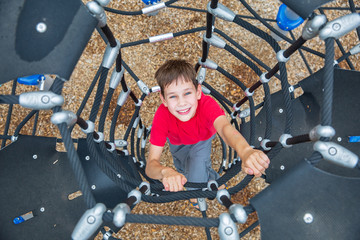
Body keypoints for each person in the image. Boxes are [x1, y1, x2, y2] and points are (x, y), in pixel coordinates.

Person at [145, 59, 270, 205]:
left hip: (201, 141)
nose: (181, 103)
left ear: (198, 92)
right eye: (173, 96)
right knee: (181, 167)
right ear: (164, 100)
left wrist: (245, 151)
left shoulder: (207, 104)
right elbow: (151, 165)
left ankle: (204, 192)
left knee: (194, 188)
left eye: (187, 93)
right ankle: (213, 179)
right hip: (177, 144)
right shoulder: (162, 116)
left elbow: (225, 128)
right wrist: (165, 172)